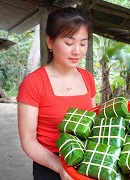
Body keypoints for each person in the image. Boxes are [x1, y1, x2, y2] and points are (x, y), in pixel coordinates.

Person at [17, 7, 96, 180]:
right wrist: (59, 166)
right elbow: (28, 142)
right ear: (50, 42)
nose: (77, 51)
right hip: (49, 164)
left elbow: (93, 122)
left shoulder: (87, 78)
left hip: (86, 160)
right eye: (69, 43)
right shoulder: (33, 84)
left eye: (83, 43)